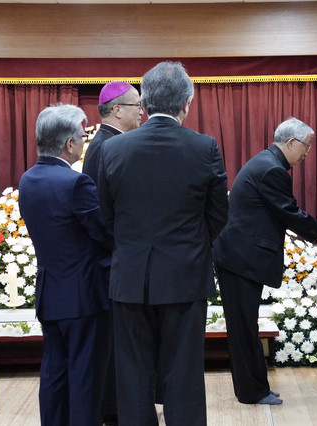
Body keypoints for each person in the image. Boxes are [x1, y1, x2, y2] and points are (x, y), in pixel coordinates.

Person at [98, 61, 228, 425]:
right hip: (184, 278)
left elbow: (107, 216)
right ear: (187, 102)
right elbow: (219, 214)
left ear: (145, 105)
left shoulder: (114, 149)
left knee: (133, 375)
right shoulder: (205, 147)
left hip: (129, 278)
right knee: (183, 375)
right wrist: (190, 246)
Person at [212, 117, 317, 405]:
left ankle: (258, 387)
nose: (307, 153)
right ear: (291, 142)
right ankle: (251, 392)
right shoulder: (272, 169)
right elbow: (288, 212)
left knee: (246, 326)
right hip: (239, 259)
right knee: (243, 328)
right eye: (306, 146)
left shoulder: (269, 162)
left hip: (238, 257)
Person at [18, 104, 113, 426]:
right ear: (69, 144)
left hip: (50, 294)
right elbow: (104, 233)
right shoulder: (75, 183)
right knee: (86, 378)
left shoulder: (28, 179)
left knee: (54, 375)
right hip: (84, 297)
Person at [82, 80, 141, 426]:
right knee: (117, 342)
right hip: (113, 259)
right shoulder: (113, 147)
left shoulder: (106, 143)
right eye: (136, 106)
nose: (142, 113)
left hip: (111, 258)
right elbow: (108, 213)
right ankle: (115, 410)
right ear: (117, 110)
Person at [83, 80, 143, 185]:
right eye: (138, 105)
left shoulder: (103, 140)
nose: (141, 112)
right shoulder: (114, 145)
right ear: (117, 110)